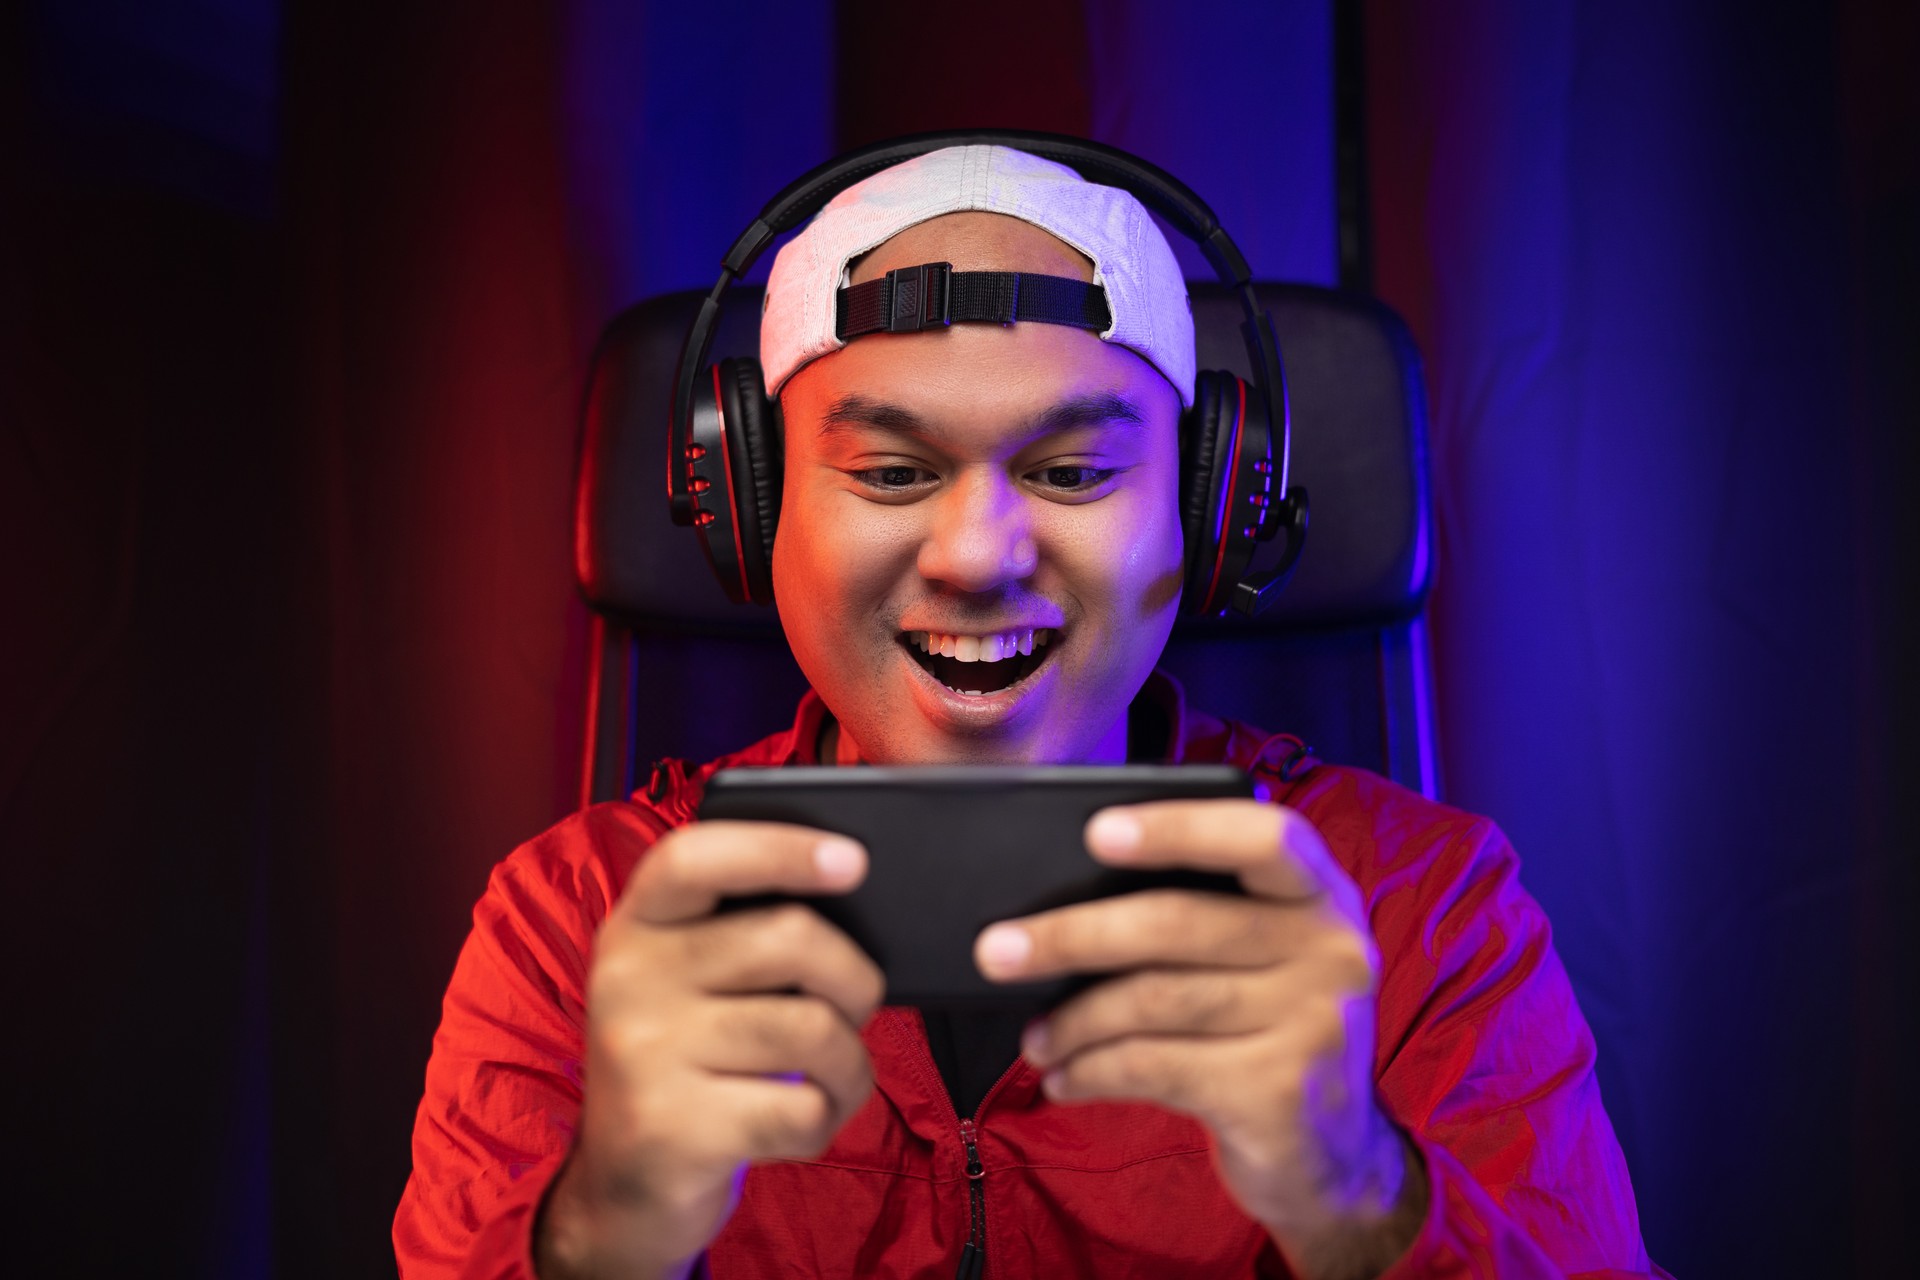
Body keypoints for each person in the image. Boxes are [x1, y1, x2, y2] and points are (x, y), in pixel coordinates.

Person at [395, 144, 1658, 1279]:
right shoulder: (571, 931)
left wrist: (1361, 1192)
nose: (977, 555)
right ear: (751, 506)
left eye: (1071, 472)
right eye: (891, 472)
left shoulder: (1427, 918)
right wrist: (603, 1231)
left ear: (1208, 512)